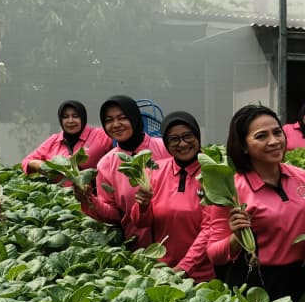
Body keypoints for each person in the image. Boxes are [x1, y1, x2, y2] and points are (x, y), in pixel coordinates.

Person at [204, 105, 305, 302]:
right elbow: (215, 255)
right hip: (253, 283)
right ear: (243, 146)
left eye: (277, 132)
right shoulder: (231, 189)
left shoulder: (302, 178)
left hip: (297, 280)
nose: (274, 141)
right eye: (261, 136)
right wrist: (236, 237)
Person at [131, 111, 213, 280]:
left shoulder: (213, 173)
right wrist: (142, 206)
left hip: (202, 274)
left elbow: (210, 228)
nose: (182, 144)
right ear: (166, 144)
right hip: (162, 270)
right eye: (174, 139)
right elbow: (141, 223)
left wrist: (183, 268)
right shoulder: (155, 171)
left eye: (188, 136)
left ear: (197, 136)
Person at [76, 95, 170, 239]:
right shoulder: (106, 164)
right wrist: (88, 200)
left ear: (135, 118)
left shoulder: (165, 148)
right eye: (109, 120)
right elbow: (113, 214)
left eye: (122, 118)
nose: (116, 124)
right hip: (138, 246)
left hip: (178, 243)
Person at [22, 100, 114, 178]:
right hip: (59, 193)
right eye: (65, 117)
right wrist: (40, 166)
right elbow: (26, 162)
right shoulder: (54, 140)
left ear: (83, 117)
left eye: (75, 116)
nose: (70, 121)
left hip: (93, 192)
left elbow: (119, 149)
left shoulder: (100, 135)